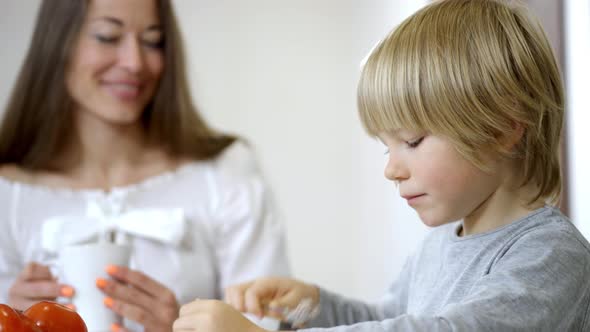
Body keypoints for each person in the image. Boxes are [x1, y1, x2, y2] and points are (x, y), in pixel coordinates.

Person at [172, 0, 590, 331]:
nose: (392, 169)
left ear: (502, 130)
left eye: (411, 141)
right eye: (385, 148)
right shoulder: (440, 244)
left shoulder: (552, 256)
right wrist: (311, 306)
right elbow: (389, 317)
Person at [0, 0, 290, 331]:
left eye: (153, 41)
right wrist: (15, 320)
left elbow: (268, 324)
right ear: (56, 41)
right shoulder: (8, 193)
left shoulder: (225, 171)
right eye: (108, 36)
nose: (135, 63)